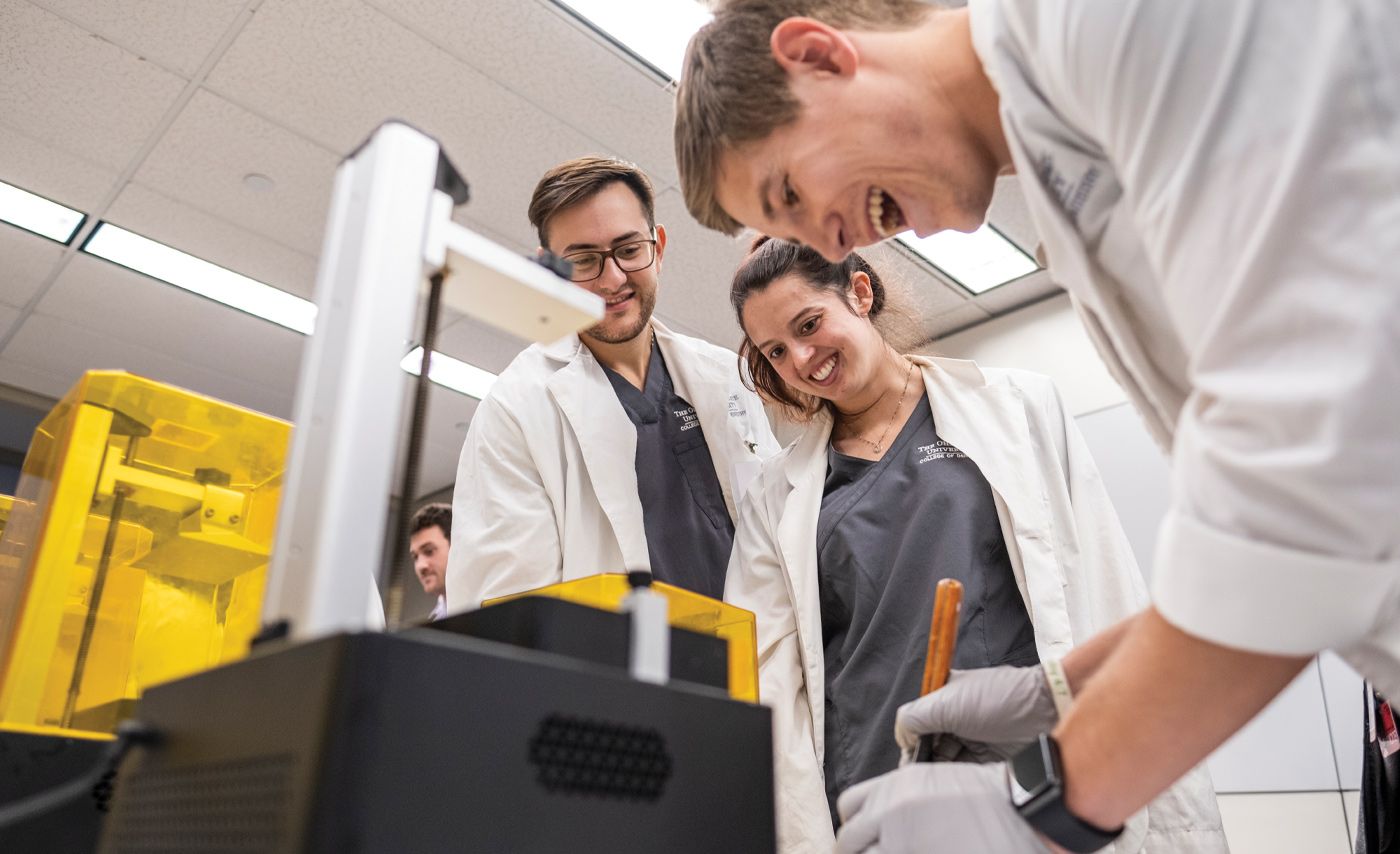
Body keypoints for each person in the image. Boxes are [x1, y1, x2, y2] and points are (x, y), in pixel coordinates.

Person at [673, 1, 1400, 851]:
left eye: (788, 192)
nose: (823, 236)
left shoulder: (1125, 25)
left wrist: (1048, 797)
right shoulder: (1066, 174)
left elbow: (1313, 485)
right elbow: (1283, 530)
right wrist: (1063, 687)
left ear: (818, 56)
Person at [725, 237, 1221, 853]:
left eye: (809, 323)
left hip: (1025, 774)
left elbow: (1103, 579)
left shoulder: (1015, 407)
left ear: (859, 291)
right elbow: (772, 683)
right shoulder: (780, 495)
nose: (802, 358)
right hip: (875, 784)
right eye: (777, 350)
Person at [446, 157, 779, 611]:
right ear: (549, 269)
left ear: (658, 247)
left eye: (628, 250)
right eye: (584, 260)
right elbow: (508, 604)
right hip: (619, 674)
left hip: (759, 667)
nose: (613, 278)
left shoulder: (727, 379)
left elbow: (779, 539)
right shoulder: (516, 409)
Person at [409, 502, 452, 621]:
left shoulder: (488, 603)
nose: (421, 566)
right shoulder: (434, 619)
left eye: (429, 551)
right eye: (415, 557)